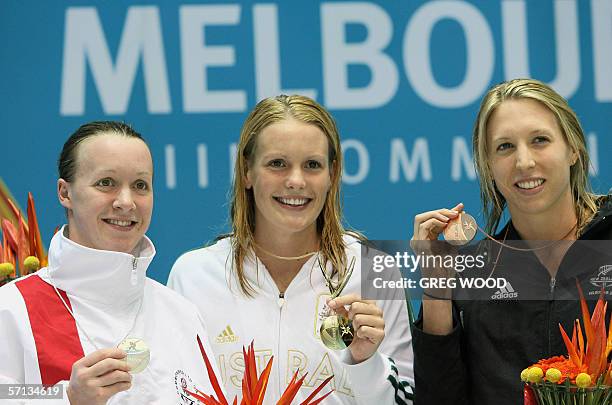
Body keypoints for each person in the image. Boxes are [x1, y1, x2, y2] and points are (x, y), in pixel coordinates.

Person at [168, 95, 414, 404]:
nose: (296, 181)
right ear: (247, 171)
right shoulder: (193, 277)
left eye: (312, 165)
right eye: (277, 164)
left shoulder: (372, 270)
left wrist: (366, 363)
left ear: (332, 174)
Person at [411, 78, 612, 404]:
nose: (524, 162)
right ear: (488, 166)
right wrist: (436, 286)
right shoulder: (474, 273)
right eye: (505, 147)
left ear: (573, 149)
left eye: (540, 140)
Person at [0, 121, 221, 404]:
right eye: (106, 183)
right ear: (65, 193)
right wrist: (66, 397)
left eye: (140, 185)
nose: (126, 202)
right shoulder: (12, 308)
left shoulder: (182, 314)